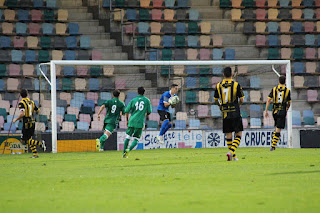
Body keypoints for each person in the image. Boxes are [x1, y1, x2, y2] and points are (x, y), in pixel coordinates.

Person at [214, 67, 244, 161]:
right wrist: (238, 105)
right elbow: (242, 99)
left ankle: (233, 156)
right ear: (231, 74)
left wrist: (220, 106)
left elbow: (215, 99)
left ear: (223, 74)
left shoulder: (218, 85)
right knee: (238, 134)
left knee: (229, 135)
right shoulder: (236, 85)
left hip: (225, 113)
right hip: (235, 111)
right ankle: (231, 152)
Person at [12, 89, 46, 158]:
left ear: (20, 95)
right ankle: (35, 154)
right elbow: (38, 110)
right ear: (27, 94)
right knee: (29, 139)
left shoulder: (21, 103)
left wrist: (15, 119)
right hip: (32, 121)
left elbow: (22, 114)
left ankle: (40, 143)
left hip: (26, 122)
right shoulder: (32, 102)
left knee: (24, 140)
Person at [123, 87, 152, 158]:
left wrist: (127, 120)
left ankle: (124, 153)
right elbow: (149, 112)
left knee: (128, 137)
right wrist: (144, 114)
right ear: (144, 92)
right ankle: (128, 150)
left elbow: (126, 111)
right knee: (136, 139)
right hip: (140, 121)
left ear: (137, 92)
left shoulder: (133, 100)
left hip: (132, 120)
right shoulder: (147, 100)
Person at [264, 75, 291, 151]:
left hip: (274, 111)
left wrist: (266, 110)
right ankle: (273, 146)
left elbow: (269, 100)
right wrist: (287, 108)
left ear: (278, 81)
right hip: (282, 110)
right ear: (285, 82)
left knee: (277, 127)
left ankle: (274, 143)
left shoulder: (274, 89)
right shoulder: (287, 91)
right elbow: (289, 102)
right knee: (278, 128)